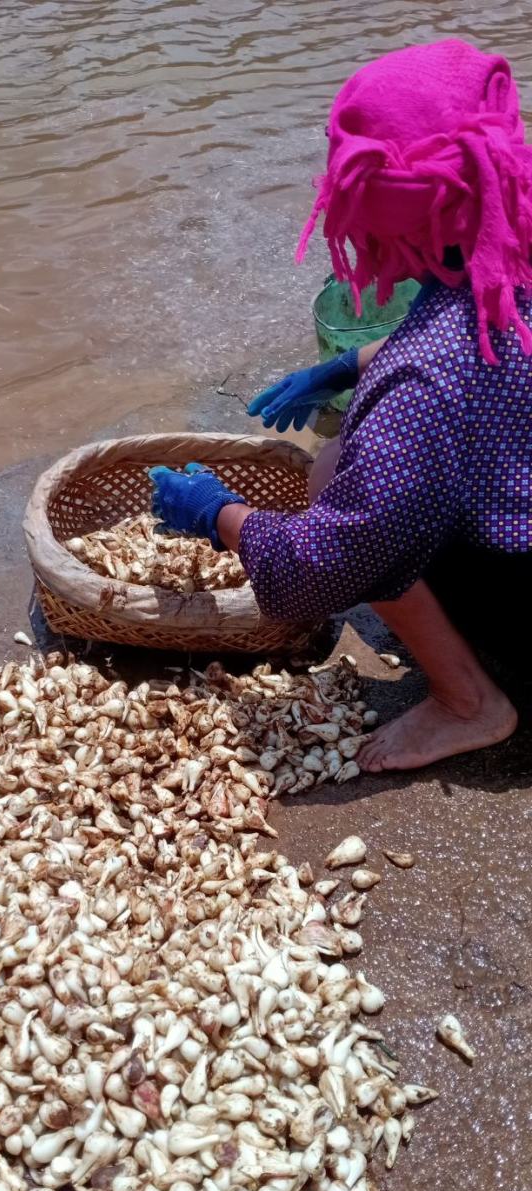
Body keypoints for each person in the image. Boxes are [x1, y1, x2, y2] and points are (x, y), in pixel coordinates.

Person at [150, 39, 532, 772]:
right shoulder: (508, 242)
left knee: (336, 479)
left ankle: (470, 702)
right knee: (365, 460)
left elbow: (315, 572)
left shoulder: (422, 389)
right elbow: (485, 332)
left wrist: (217, 514)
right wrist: (346, 365)